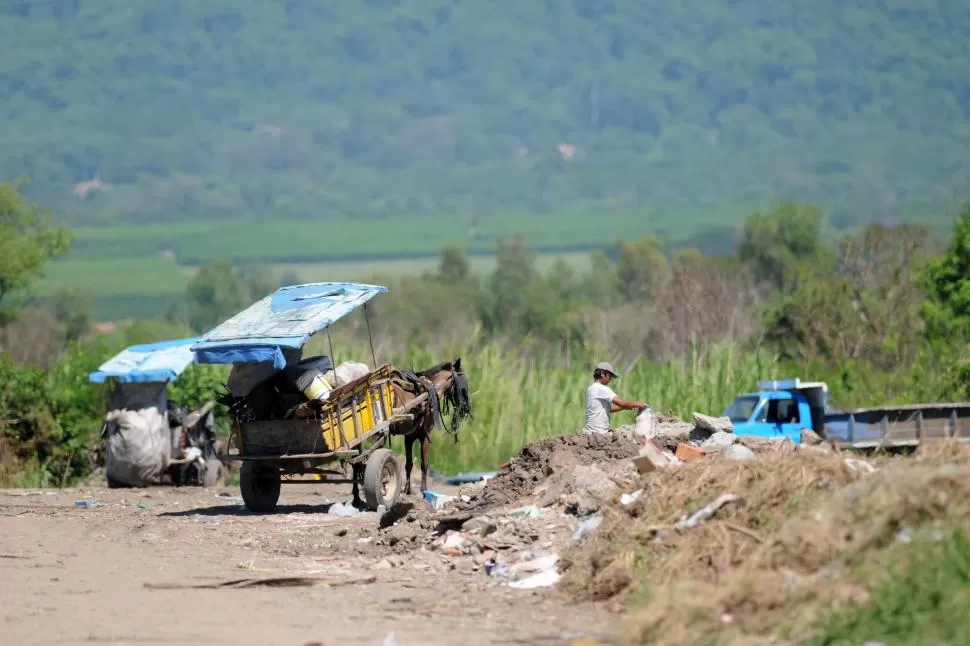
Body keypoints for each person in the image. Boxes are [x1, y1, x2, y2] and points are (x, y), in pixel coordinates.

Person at [583, 361, 647, 435]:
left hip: (589, 432)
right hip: (599, 433)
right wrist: (639, 404)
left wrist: (623, 407)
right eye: (609, 376)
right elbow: (622, 403)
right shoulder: (601, 388)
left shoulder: (591, 389)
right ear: (602, 374)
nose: (610, 379)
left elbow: (608, 409)